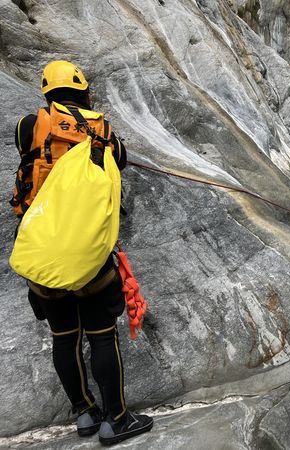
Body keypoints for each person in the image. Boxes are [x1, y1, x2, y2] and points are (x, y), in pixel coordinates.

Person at [11, 61, 153, 445]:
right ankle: (117, 418)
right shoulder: (104, 131)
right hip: (89, 253)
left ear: (48, 94)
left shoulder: (30, 125)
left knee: (64, 336)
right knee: (102, 336)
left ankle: (85, 414)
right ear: (86, 93)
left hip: (41, 248)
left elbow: (28, 157)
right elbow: (120, 160)